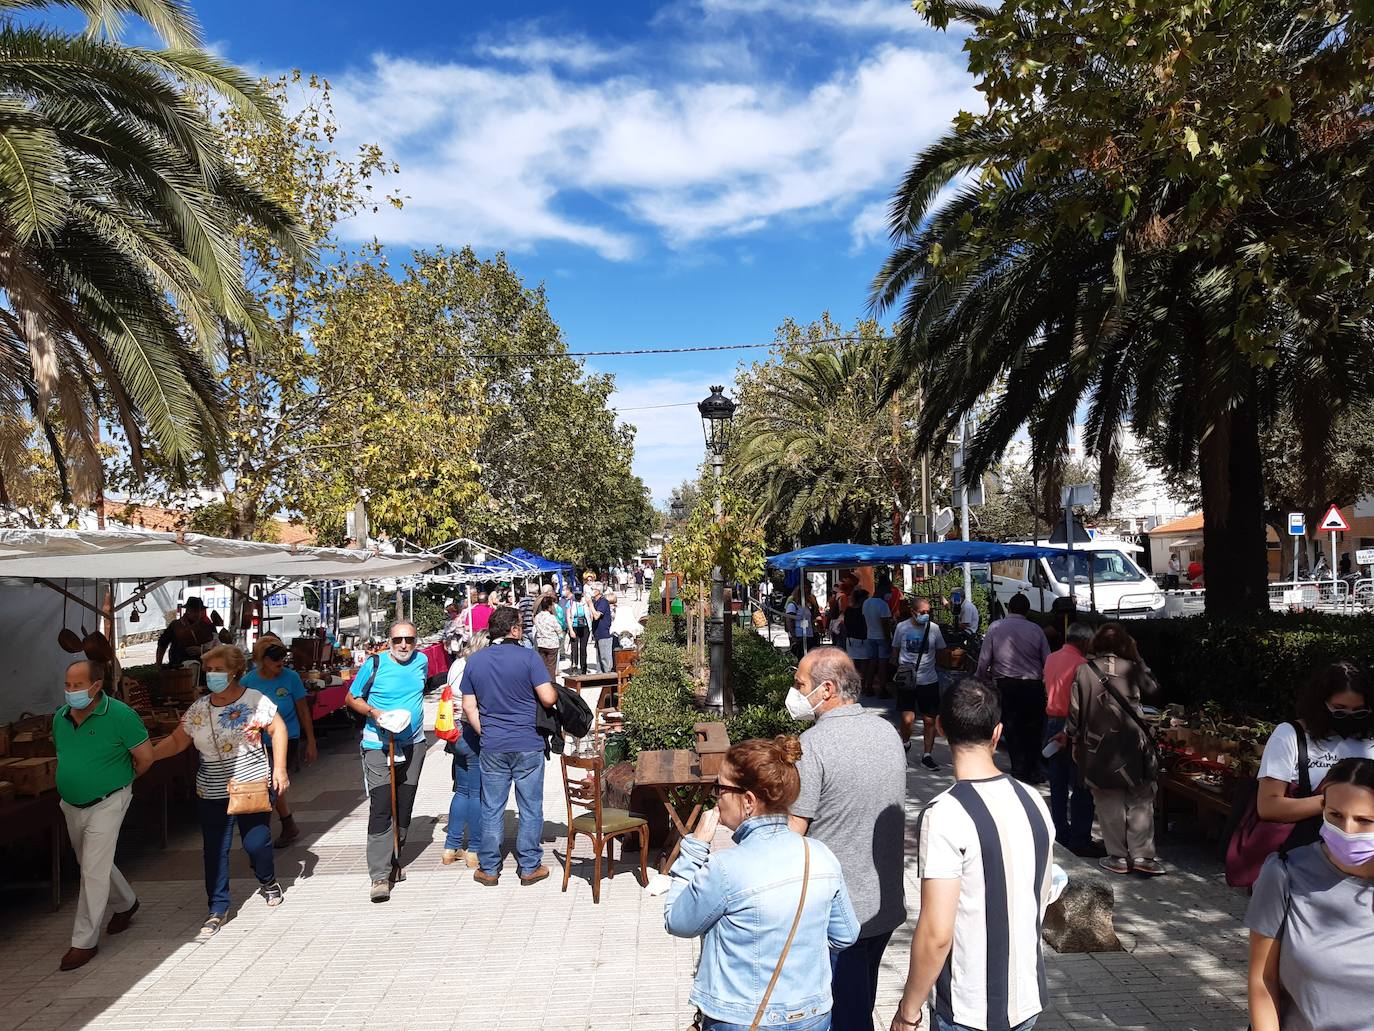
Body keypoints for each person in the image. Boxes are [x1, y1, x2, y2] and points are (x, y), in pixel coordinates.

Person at [891, 677, 1055, 1031]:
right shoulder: (1034, 801)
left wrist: (909, 1009)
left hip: (968, 1006)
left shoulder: (944, 814)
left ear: (944, 732)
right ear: (997, 733)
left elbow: (937, 932)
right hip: (1027, 994)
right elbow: (1041, 892)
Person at [666, 736, 859, 1030]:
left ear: (748, 801)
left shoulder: (725, 868)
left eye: (720, 789)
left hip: (741, 1017)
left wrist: (694, 848)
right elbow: (845, 935)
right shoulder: (820, 855)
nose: (715, 797)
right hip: (811, 1014)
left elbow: (677, 921)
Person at [787, 649, 906, 1031]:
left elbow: (795, 831)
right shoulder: (886, 731)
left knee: (845, 1018)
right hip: (884, 905)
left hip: (839, 915)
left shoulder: (813, 745)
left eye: (800, 685)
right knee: (861, 1003)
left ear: (827, 689)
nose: (796, 694)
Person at [148, 645, 288, 937]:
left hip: (251, 784)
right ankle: (217, 906)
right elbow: (176, 741)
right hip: (211, 789)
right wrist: (147, 756)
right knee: (214, 850)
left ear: (234, 671)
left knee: (256, 843)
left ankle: (267, 879)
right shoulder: (199, 708)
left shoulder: (253, 700)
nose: (211, 675)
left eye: (217, 670)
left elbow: (277, 728)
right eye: (208, 670)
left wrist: (280, 768)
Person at [1246, 756, 1374, 1031]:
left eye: (1365, 820)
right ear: (1322, 808)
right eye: (1336, 815)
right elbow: (1262, 981)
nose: (1347, 831)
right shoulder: (1284, 873)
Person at [52, 659, 152, 971]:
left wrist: (120, 782)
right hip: (72, 803)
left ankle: (84, 942)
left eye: (78, 685)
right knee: (91, 861)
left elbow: (145, 757)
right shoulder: (60, 717)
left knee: (91, 870)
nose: (71, 691)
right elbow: (65, 754)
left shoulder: (121, 714)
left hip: (108, 799)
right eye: (68, 685)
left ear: (96, 686)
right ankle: (126, 902)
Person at [460, 606, 557, 886]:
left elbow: (469, 706)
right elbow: (548, 698)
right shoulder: (529, 658)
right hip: (528, 743)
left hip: (493, 745)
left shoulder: (474, 662)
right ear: (514, 630)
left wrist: (486, 732)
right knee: (530, 807)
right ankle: (529, 866)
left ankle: (489, 869)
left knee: (491, 807)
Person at [1066, 623, 1165, 876]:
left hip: (1098, 747)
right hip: (1134, 745)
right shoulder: (1132, 669)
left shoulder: (1083, 671)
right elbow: (1154, 689)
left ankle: (1118, 857)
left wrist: (1074, 741)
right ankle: (1143, 856)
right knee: (1141, 799)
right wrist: (1139, 657)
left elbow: (1076, 712)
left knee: (1108, 802)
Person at [343, 620, 429, 902]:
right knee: (381, 805)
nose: (404, 645)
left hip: (413, 744)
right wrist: (374, 712)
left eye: (409, 639)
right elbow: (351, 697)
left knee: (404, 806)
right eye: (398, 640)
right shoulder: (374, 664)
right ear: (389, 641)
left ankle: (394, 859)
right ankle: (379, 874)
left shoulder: (422, 661)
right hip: (378, 744)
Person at [1255, 661, 1374, 842]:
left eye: (1359, 712)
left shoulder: (1369, 740)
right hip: (1304, 849)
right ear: (1321, 704)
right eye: (1340, 710)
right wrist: (1336, 801)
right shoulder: (1290, 735)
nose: (1349, 718)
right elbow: (1268, 806)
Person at [242, 641, 316, 847]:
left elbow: (303, 711)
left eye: (283, 657)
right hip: (257, 743)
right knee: (268, 786)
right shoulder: (248, 681)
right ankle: (286, 825)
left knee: (272, 786)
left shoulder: (291, 678)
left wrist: (311, 741)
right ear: (261, 660)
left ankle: (263, 834)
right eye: (275, 658)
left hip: (286, 740)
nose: (280, 662)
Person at [974, 593, 1050, 783]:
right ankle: (1034, 768)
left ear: (1009, 608)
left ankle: (1019, 767)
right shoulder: (1036, 630)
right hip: (1033, 686)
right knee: (1034, 728)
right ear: (1026, 610)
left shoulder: (996, 627)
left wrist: (980, 680)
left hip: (1006, 685)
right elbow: (1047, 660)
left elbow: (984, 660)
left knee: (1012, 727)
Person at [1041, 623, 1098, 856]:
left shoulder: (1051, 658)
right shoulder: (1083, 666)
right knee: (1081, 785)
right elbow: (1083, 703)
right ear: (1085, 643)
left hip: (1052, 721)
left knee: (1058, 782)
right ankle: (1080, 838)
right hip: (1072, 725)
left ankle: (1060, 832)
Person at [443, 632, 489, 869]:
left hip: (454, 730)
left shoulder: (457, 664)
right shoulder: (477, 667)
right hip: (471, 729)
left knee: (461, 790)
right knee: (476, 792)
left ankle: (451, 846)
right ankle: (474, 848)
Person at [892, 597, 947, 770]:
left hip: (929, 679)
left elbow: (940, 651)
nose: (925, 615)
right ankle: (905, 742)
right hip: (908, 680)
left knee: (929, 720)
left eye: (928, 612)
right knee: (907, 718)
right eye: (922, 612)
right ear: (913, 612)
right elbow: (895, 650)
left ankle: (927, 755)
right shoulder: (902, 627)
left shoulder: (934, 629)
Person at [155, 595, 215, 668]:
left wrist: (202, 651)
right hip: (179, 665)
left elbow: (217, 648)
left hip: (203, 666)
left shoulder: (208, 626)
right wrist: (158, 665)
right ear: (187, 611)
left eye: (199, 611)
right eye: (194, 611)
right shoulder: (175, 625)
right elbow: (162, 644)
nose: (197, 614)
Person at [861, 581, 895, 697]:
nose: (890, 594)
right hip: (881, 638)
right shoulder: (882, 605)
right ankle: (882, 689)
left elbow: (865, 621)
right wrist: (888, 641)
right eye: (889, 591)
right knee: (882, 665)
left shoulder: (866, 602)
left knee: (872, 662)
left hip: (870, 636)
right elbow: (885, 625)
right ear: (883, 590)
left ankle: (868, 687)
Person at [786, 582, 819, 659]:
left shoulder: (806, 606)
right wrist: (793, 636)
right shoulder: (793, 605)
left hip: (809, 634)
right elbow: (789, 620)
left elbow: (812, 618)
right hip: (799, 635)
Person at [533, 594, 562, 681]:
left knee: (543, 665)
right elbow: (559, 629)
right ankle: (552, 683)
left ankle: (543, 681)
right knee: (551, 666)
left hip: (541, 643)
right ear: (550, 606)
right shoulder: (551, 617)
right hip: (552, 644)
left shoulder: (537, 617)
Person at [567, 588, 593, 674]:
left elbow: (591, 613)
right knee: (574, 648)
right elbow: (568, 617)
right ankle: (574, 666)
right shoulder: (570, 602)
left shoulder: (586, 602)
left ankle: (583, 668)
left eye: (579, 594)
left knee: (583, 648)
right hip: (574, 626)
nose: (578, 596)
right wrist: (571, 630)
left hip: (584, 627)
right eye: (576, 594)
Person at [590, 584, 614, 673]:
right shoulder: (595, 602)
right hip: (597, 633)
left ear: (598, 591)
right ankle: (600, 677)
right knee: (599, 660)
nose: (591, 590)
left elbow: (596, 616)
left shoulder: (603, 602)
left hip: (604, 634)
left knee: (605, 658)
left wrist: (589, 604)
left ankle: (609, 677)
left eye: (593, 589)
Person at [516, 584, 536, 650]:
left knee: (528, 650)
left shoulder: (521, 601)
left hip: (524, 628)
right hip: (533, 628)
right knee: (536, 649)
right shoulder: (535, 601)